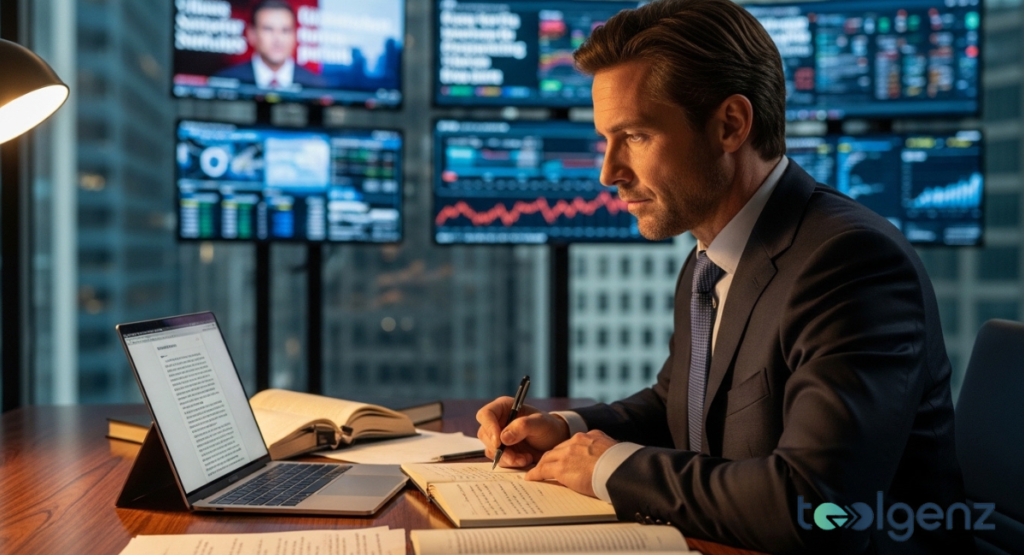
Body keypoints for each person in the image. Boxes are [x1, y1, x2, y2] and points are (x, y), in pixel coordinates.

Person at [476, 1, 972, 553]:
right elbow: (682, 407)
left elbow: (820, 507)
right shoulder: (708, 259)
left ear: (731, 125)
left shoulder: (851, 263)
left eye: (635, 136)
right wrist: (566, 430)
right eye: (606, 140)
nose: (609, 172)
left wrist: (608, 467)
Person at [215, 0, 325, 89]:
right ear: (251, 34)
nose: (278, 39)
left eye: (285, 30)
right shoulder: (225, 80)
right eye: (268, 29)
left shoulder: (315, 85)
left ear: (295, 35)